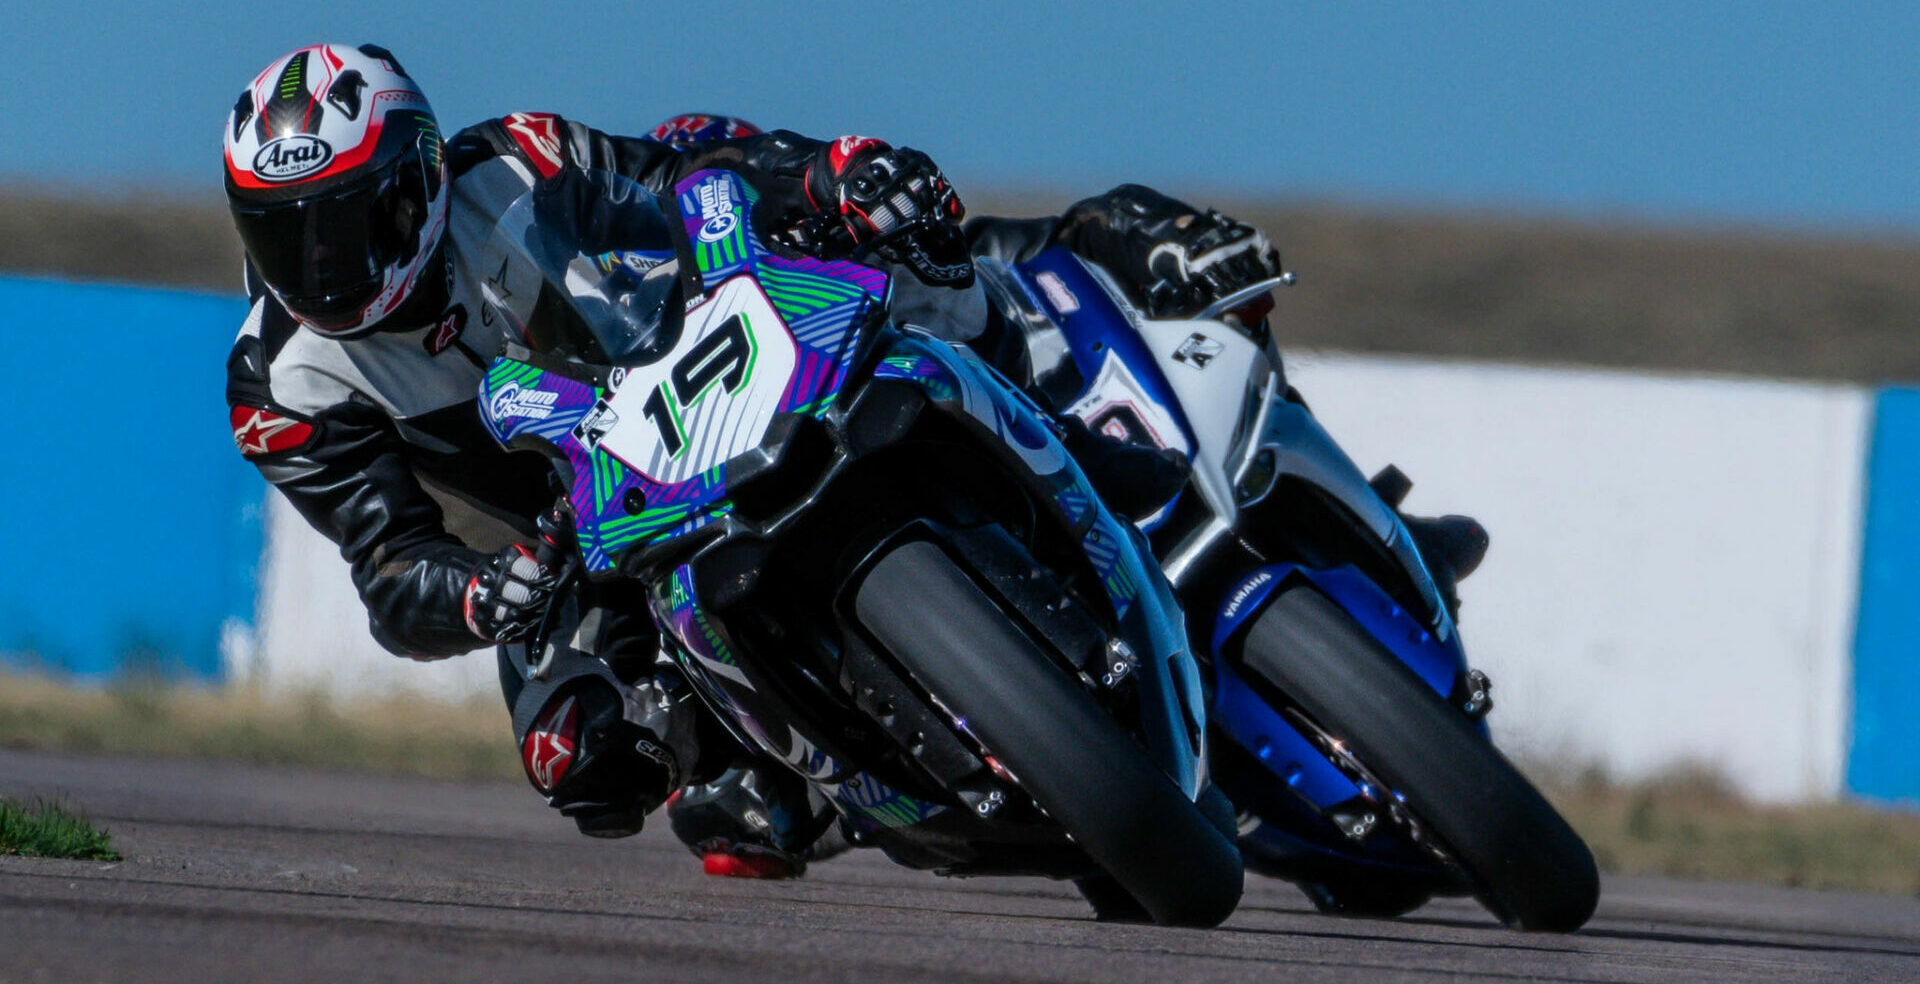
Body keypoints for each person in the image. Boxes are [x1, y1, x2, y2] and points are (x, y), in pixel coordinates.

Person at [223, 47, 1474, 877]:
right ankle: (821, 773)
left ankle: (1100, 377)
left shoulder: (519, 161)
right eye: (293, 236)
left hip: (703, 354)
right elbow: (390, 566)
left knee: (921, 263)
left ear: (421, 176)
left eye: (354, 219)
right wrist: (485, 593)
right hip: (576, 524)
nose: (329, 265)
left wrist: (825, 174)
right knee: (600, 772)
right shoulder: (279, 388)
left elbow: (679, 176)